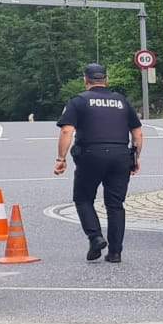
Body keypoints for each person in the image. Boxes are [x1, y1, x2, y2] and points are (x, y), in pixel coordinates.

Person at [54, 63, 143, 263]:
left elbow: (67, 130)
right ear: (106, 79)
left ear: (85, 80)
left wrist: (61, 159)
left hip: (90, 155)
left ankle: (95, 237)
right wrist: (135, 158)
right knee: (115, 205)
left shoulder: (78, 101)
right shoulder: (122, 101)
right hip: (121, 156)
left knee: (83, 199)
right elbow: (137, 133)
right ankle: (115, 253)